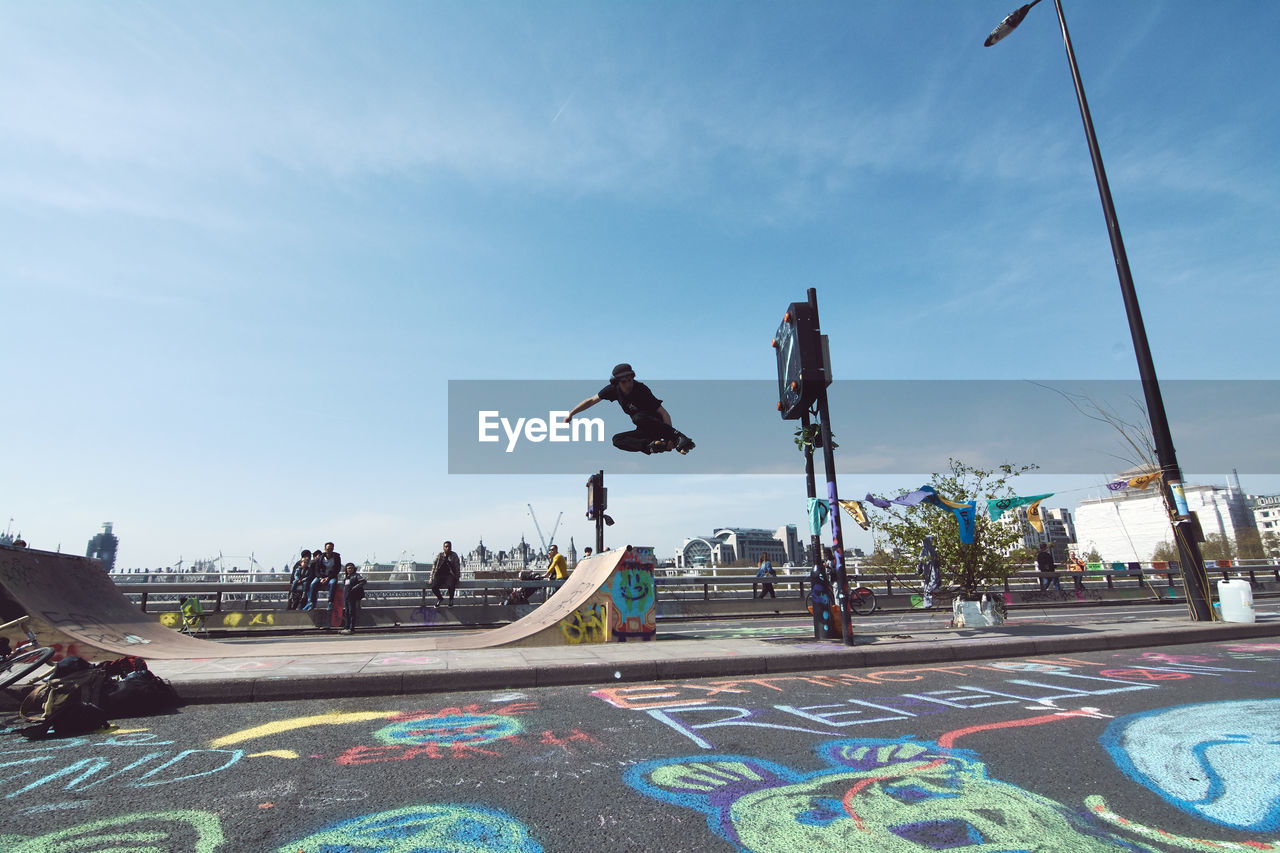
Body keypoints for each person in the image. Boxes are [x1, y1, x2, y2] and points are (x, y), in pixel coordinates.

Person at [563, 363, 695, 455]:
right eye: (624, 382)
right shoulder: (612, 390)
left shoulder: (641, 389)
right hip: (644, 430)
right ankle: (651, 446)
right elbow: (591, 401)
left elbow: (663, 413)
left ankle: (680, 438)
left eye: (630, 380)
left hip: (656, 424)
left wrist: (670, 436)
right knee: (617, 440)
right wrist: (571, 414)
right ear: (617, 382)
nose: (628, 384)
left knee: (639, 417)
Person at [304, 542, 342, 611]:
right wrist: (321, 578)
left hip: (331, 576)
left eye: (331, 549)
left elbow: (337, 569)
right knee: (313, 584)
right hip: (321, 576)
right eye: (328, 549)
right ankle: (311, 603)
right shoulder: (321, 557)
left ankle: (330, 602)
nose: (329, 550)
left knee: (333, 583)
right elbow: (316, 570)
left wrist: (329, 577)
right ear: (325, 549)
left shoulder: (336, 557)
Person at [339, 562, 367, 634]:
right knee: (346, 612)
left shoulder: (356, 576)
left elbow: (363, 581)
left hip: (353, 596)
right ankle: (346, 626)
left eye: (351, 568)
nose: (350, 569)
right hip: (346, 596)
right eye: (348, 568)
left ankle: (351, 628)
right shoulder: (346, 577)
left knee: (352, 612)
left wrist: (355, 588)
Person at [431, 541, 461, 607]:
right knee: (433, 587)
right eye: (446, 547)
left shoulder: (454, 555)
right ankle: (440, 598)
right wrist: (431, 578)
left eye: (449, 547)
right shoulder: (439, 555)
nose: (447, 548)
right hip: (439, 574)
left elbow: (457, 567)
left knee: (451, 585)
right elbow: (434, 566)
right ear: (443, 548)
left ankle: (451, 600)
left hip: (449, 574)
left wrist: (457, 578)